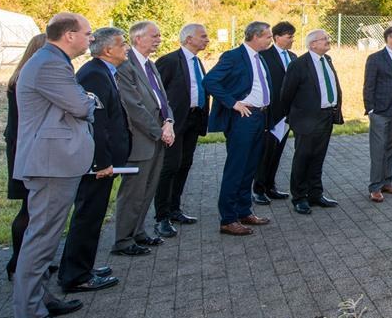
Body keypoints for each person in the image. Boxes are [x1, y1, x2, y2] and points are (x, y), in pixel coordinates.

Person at [12, 13, 98, 318]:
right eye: (87, 33)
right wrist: (88, 100)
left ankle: (41, 299)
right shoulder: (49, 63)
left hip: (56, 162)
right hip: (50, 164)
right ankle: (29, 315)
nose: (90, 39)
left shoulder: (53, 61)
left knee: (46, 237)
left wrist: (83, 102)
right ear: (69, 35)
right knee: (42, 238)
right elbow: (80, 105)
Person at [59, 27, 127, 294]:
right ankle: (76, 275)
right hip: (95, 162)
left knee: (92, 215)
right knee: (87, 215)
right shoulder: (95, 75)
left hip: (100, 159)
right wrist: (100, 162)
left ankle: (82, 267)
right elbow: (95, 123)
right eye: (122, 44)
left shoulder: (103, 72)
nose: (127, 49)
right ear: (108, 50)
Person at [204, 21, 276, 235]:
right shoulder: (233, 56)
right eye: (268, 36)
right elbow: (210, 81)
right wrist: (233, 103)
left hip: (259, 117)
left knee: (250, 167)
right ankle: (228, 219)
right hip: (243, 118)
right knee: (236, 168)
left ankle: (244, 211)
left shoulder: (259, 57)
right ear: (255, 36)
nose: (270, 40)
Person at [112, 20, 175, 255]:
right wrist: (159, 131)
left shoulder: (150, 64)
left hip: (158, 135)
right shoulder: (125, 66)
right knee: (133, 192)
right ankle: (123, 240)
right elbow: (134, 106)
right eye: (154, 36)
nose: (159, 39)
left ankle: (138, 232)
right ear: (137, 39)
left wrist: (169, 122)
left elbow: (162, 99)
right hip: (140, 138)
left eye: (159, 35)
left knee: (148, 188)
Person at [276, 28, 344, 214]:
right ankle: (299, 197)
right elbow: (286, 94)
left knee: (318, 157)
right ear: (313, 44)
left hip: (326, 116)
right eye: (324, 39)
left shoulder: (327, 60)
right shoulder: (299, 65)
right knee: (303, 157)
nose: (328, 41)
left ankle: (316, 194)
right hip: (306, 119)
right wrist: (294, 117)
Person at [153, 23, 210, 237]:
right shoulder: (169, 61)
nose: (207, 40)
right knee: (169, 167)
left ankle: (175, 209)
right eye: (203, 36)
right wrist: (164, 122)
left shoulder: (198, 62)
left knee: (185, 164)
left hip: (194, 119)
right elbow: (156, 93)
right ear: (188, 39)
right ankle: (161, 217)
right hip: (174, 122)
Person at [3, 33, 47, 280]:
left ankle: (25, 260)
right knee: (29, 208)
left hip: (22, 146)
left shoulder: (19, 78)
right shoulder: (28, 80)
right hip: (27, 149)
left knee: (30, 207)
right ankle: (19, 262)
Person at [363, 25, 392, 202]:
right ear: (389, 38)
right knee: (378, 150)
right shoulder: (375, 59)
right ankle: (375, 187)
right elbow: (368, 85)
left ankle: (387, 183)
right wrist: (371, 109)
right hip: (380, 112)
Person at [253, 21, 296, 204]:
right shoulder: (264, 55)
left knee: (277, 152)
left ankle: (271, 186)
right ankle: (258, 189)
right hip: (271, 113)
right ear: (277, 37)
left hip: (288, 114)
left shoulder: (294, 57)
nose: (292, 40)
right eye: (289, 37)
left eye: (293, 36)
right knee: (265, 153)